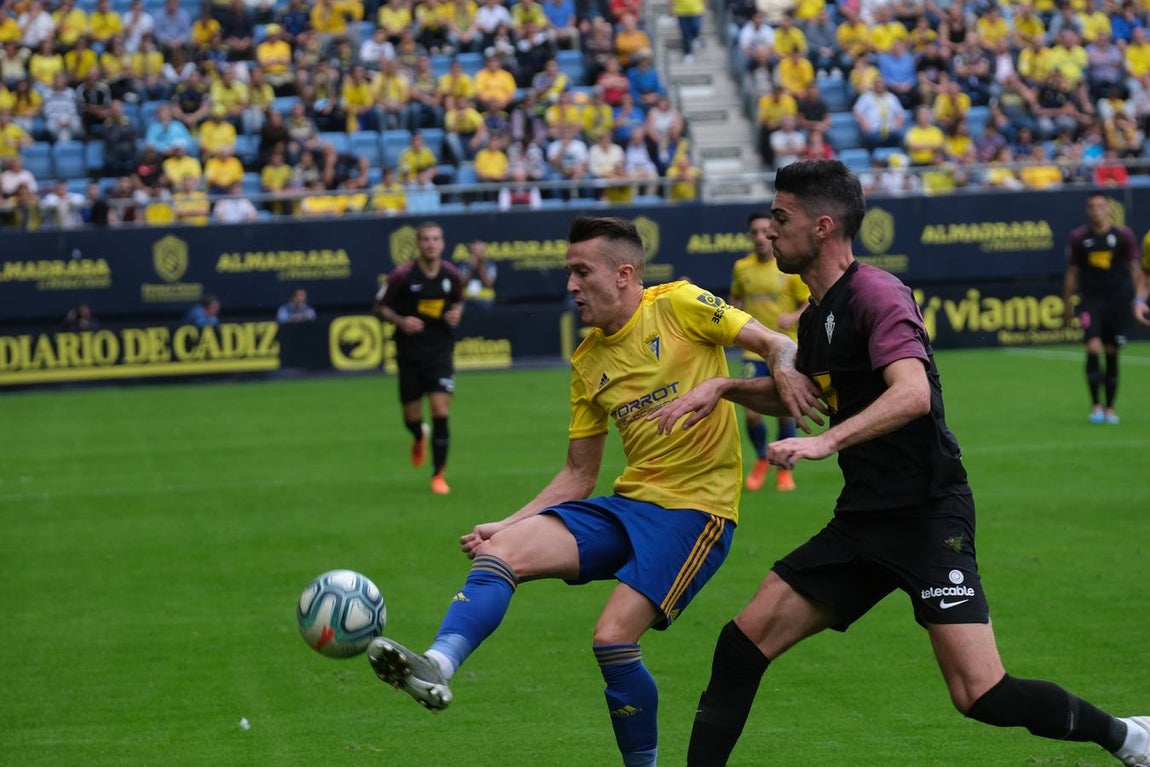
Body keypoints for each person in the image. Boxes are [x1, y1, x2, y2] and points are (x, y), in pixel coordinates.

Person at [647, 160, 1150, 767]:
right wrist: (723, 389)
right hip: (862, 519)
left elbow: (912, 394)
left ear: (824, 227)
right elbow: (805, 392)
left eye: (781, 219)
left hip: (927, 515)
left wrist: (825, 443)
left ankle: (1128, 738)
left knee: (980, 693)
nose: (770, 232)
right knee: (741, 644)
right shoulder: (815, 316)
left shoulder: (876, 292)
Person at [365, 216, 822, 767]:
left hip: (695, 512)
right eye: (568, 272)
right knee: (499, 554)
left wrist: (783, 369)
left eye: (581, 272)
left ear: (624, 274)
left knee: (612, 640)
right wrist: (508, 523)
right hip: (628, 505)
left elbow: (775, 342)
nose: (570, 285)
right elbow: (578, 476)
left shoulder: (679, 304)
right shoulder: (587, 360)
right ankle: (438, 663)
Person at [373, 221, 464, 495]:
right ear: (418, 244)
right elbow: (379, 307)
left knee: (441, 411)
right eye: (425, 239)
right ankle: (418, 434)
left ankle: (438, 475)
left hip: (439, 352)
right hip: (409, 353)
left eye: (436, 239)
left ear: (442, 243)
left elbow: (458, 301)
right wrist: (401, 321)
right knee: (411, 418)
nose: (431, 244)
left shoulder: (452, 275)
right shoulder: (401, 276)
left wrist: (456, 313)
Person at [729, 211, 810, 492]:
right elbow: (735, 298)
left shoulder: (787, 267)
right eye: (754, 232)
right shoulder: (742, 267)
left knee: (786, 410)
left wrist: (794, 317)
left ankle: (784, 469)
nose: (760, 237)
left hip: (786, 349)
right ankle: (763, 458)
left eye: (765, 231)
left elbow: (808, 302)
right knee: (752, 413)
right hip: (754, 350)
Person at [1063, 193, 1141, 425]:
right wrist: (1068, 304)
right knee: (1093, 347)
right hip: (1090, 300)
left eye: (1100, 206)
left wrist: (1139, 300)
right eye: (1092, 207)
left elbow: (1134, 268)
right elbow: (1072, 273)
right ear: (1088, 211)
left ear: (1108, 209)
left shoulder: (1123, 236)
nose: (1097, 210)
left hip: (1116, 301)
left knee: (1111, 351)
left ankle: (1110, 408)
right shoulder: (1079, 238)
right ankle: (1096, 405)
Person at [458, 239, 497, 307]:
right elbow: (462, 283)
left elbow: (489, 284)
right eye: (477, 249)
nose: (479, 252)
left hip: (485, 299)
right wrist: (471, 268)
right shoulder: (464, 264)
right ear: (472, 250)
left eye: (481, 249)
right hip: (467, 299)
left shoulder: (490, 265)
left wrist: (480, 266)